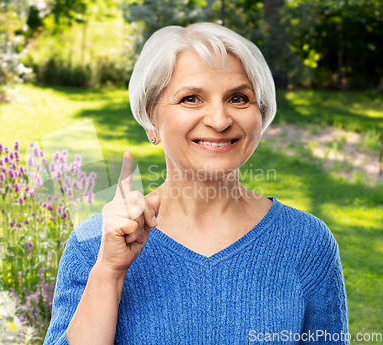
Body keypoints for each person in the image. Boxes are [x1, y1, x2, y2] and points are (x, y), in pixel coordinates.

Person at [43, 23, 349, 345]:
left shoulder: (307, 242)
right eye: (191, 98)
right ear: (151, 118)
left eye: (238, 98)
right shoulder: (94, 245)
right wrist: (109, 272)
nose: (219, 120)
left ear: (261, 114)